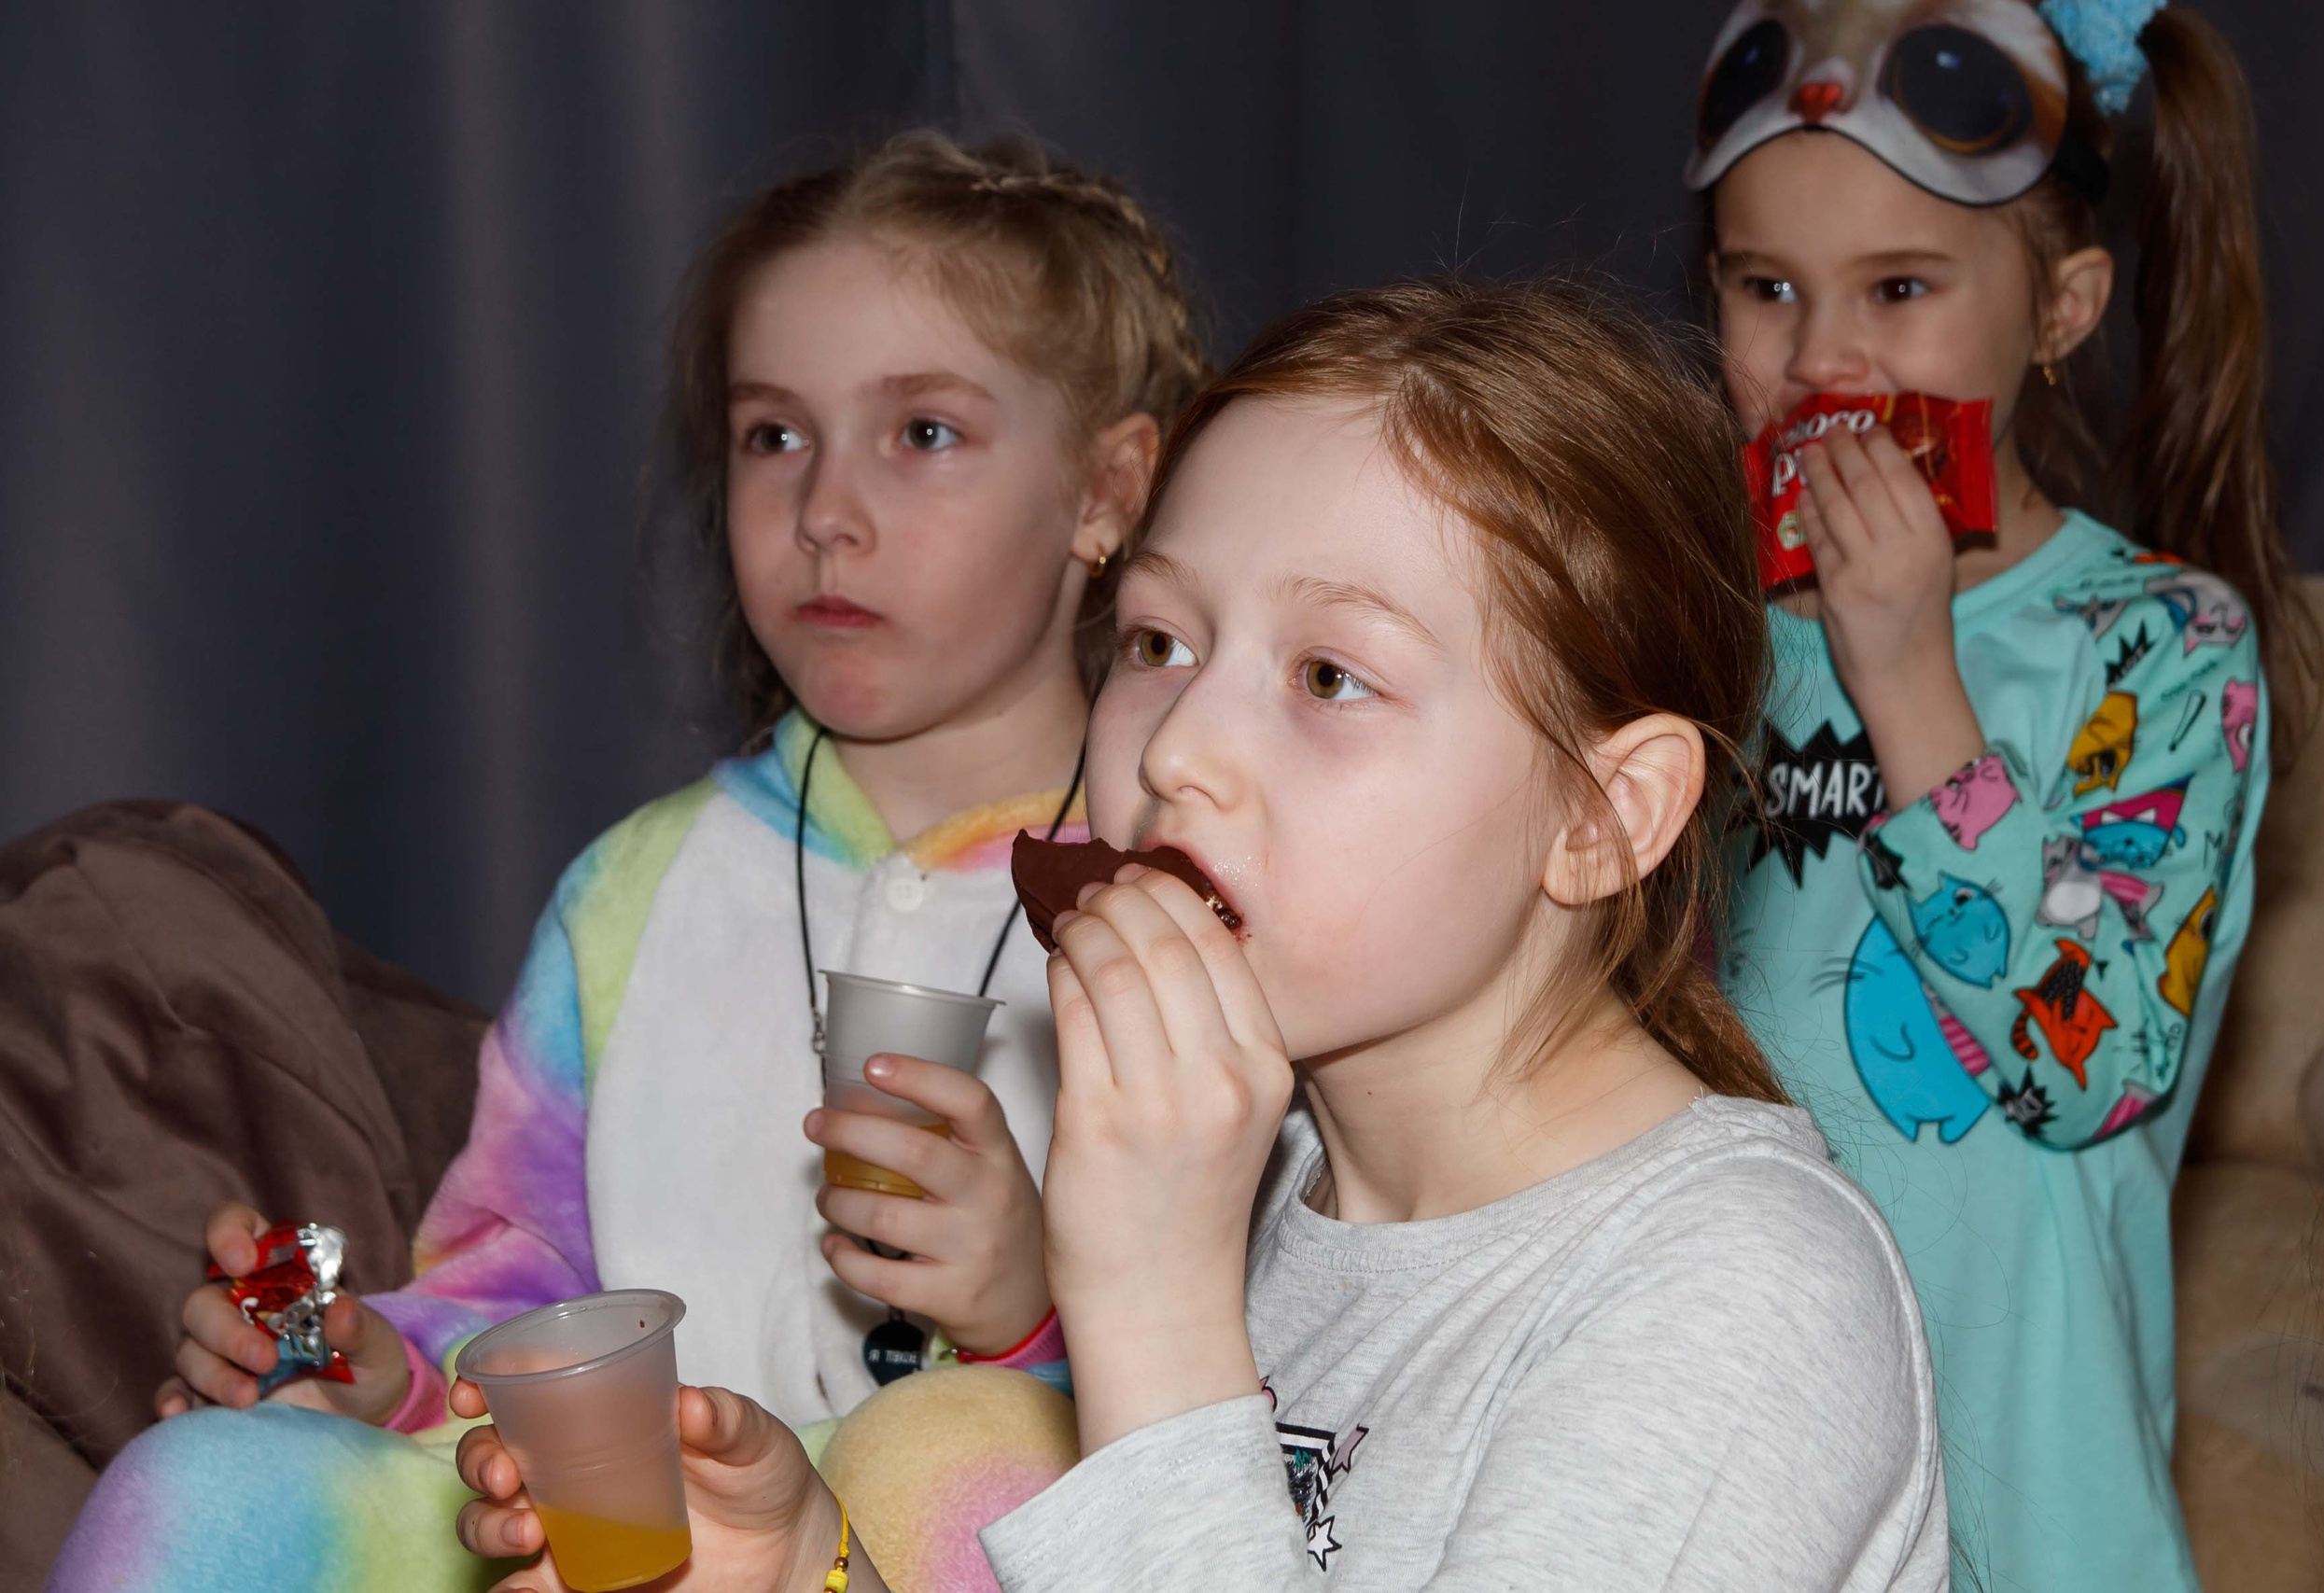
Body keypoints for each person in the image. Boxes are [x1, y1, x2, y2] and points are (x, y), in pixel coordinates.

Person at [452, 275, 1953, 1592]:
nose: (1177, 752)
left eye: (1326, 676)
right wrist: (812, 1573)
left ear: (1604, 816)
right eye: (1162, 643)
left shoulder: (1740, 1293)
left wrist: (1152, 1307)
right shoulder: (1278, 1198)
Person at [43, 130, 1207, 1593]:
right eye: (773, 435)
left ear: (1106, 491)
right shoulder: (636, 890)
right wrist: (377, 1370)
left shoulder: (1180, 896)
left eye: (923, 434)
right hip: (619, 1542)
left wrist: (1031, 1316)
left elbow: (1273, 1369)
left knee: (965, 1451)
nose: (826, 512)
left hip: (973, 1528)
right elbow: (521, 1282)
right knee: (205, 1486)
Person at [1685, 3, 2316, 1586]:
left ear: (2060, 306)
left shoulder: (2158, 653)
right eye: (1767, 290)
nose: (1822, 359)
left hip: (2033, 1513)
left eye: (1900, 290)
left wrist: (1906, 679)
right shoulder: (1692, 635)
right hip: (1739, 1471)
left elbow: (2081, 1062)